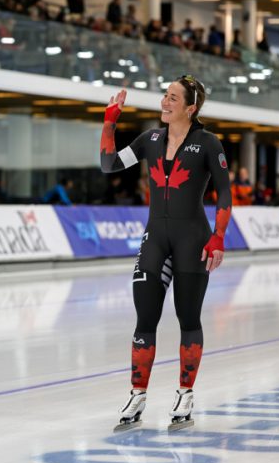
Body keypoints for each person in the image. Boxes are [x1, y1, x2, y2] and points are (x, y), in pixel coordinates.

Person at [99, 77, 232, 431]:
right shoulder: (150, 140)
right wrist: (111, 121)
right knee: (145, 316)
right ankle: (137, 394)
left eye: (173, 98)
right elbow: (108, 164)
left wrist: (218, 237)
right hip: (155, 237)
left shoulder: (207, 143)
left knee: (188, 319)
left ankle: (185, 393)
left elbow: (225, 193)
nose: (165, 101)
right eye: (165, 95)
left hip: (193, 240)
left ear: (191, 108)